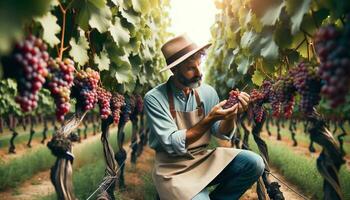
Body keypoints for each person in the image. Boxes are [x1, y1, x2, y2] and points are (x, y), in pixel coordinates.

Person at [143, 34, 265, 200]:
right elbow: (173, 143)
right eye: (190, 68)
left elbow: (221, 133)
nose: (199, 72)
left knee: (254, 164)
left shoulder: (207, 92)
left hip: (202, 159)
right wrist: (209, 118)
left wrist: (231, 114)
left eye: (199, 65)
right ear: (174, 69)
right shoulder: (155, 98)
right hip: (172, 169)